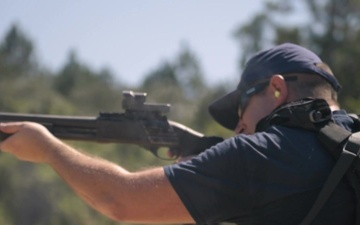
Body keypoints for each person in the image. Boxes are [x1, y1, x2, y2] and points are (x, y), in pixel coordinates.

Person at [0, 43, 356, 224]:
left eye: (241, 108)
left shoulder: (258, 156)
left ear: (277, 90)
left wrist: (47, 148)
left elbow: (119, 199)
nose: (238, 127)